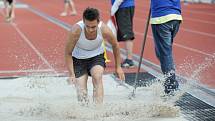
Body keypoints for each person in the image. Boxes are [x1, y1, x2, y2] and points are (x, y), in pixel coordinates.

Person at [65, 7, 125, 105]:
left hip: (96, 56)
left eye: (93, 27)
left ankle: (98, 110)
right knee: (81, 90)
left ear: (98, 22)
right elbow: (68, 53)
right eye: (87, 26)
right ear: (83, 21)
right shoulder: (76, 31)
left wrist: (118, 67)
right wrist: (71, 74)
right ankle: (85, 110)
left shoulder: (104, 29)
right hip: (78, 59)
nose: (90, 30)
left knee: (97, 77)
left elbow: (115, 45)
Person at [150, 0, 182, 95]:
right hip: (175, 16)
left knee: (165, 54)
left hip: (162, 17)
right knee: (162, 52)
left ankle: (171, 86)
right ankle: (171, 80)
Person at [111, 0, 135, 68]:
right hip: (122, 6)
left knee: (127, 33)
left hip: (123, 6)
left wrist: (116, 4)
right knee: (125, 32)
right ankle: (128, 59)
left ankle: (129, 60)